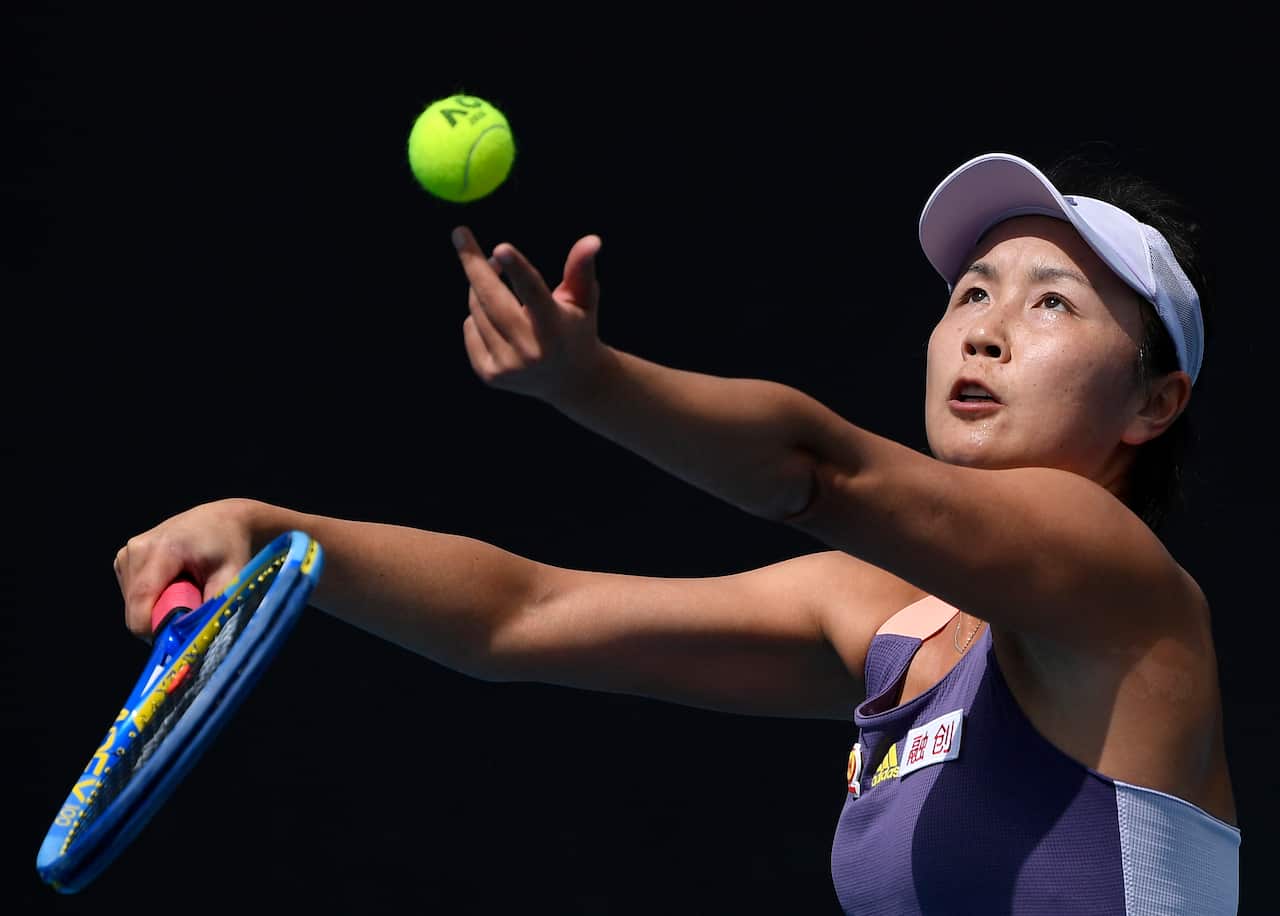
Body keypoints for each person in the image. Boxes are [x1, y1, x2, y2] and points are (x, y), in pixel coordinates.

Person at [112, 150, 1239, 913]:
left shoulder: (1120, 589)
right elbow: (523, 614)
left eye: (1051, 301)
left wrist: (589, 381)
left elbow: (816, 467)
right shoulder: (884, 619)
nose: (984, 332)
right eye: (969, 294)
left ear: (1154, 403)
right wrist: (279, 537)